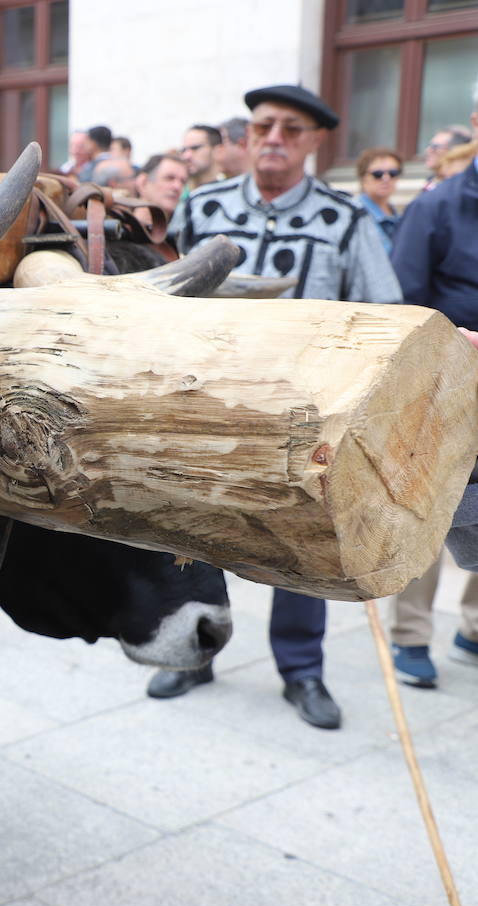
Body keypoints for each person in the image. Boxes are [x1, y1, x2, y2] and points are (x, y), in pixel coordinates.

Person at [156, 84, 402, 730]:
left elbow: (385, 314)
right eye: (263, 126)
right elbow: (161, 300)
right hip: (209, 411)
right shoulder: (202, 207)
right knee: (196, 535)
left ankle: (302, 670)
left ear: (315, 142)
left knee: (302, 548)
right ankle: (194, 652)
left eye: (291, 130)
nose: (273, 139)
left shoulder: (346, 220)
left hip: (303, 420)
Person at [388, 81, 478, 680]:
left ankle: (473, 628)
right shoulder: (437, 205)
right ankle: (412, 638)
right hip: (448, 395)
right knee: (434, 513)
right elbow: (399, 313)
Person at [353, 147, 402, 254]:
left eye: (393, 173)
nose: (386, 178)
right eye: (378, 174)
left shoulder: (399, 217)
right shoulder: (354, 215)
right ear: (363, 177)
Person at [421, 124, 473, 191]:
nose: (428, 150)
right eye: (429, 145)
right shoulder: (432, 181)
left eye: (435, 146)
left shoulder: (464, 188)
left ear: (457, 151)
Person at [179, 124, 222, 190]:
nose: (186, 156)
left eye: (195, 148)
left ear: (217, 150)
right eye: (184, 150)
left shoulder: (232, 191)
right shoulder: (176, 195)